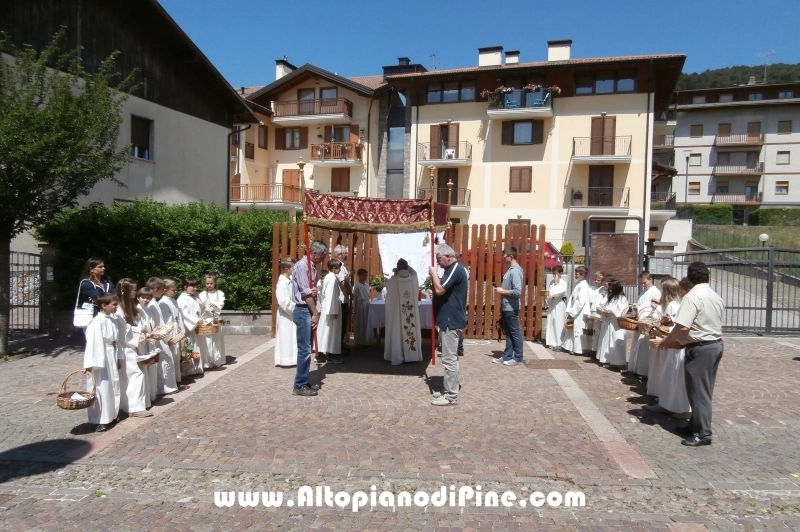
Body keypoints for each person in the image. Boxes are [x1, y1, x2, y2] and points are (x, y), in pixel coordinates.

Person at [660, 262, 725, 447]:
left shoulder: (692, 297)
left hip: (700, 347)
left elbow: (682, 326)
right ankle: (695, 424)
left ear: (690, 277)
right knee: (702, 389)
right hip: (714, 344)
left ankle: (703, 433)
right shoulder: (714, 295)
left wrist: (667, 341)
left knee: (698, 392)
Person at [645, 277, 691, 419]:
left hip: (675, 344)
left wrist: (667, 328)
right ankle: (666, 404)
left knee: (673, 377)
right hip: (673, 343)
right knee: (669, 376)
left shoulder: (675, 304)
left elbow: (680, 326)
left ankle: (677, 407)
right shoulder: (679, 303)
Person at [428, 244, 468, 406]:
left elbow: (440, 290)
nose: (438, 262)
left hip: (451, 320)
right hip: (448, 319)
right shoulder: (451, 269)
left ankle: (451, 395)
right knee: (450, 358)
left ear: (448, 257)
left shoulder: (455, 268)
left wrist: (433, 274)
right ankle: (449, 390)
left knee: (449, 359)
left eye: (439, 259)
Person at [291, 240, 329, 397]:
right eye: (322, 256)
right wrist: (315, 313)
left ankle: (303, 381)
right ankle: (299, 385)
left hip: (306, 310)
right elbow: (306, 294)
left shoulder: (311, 266)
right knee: (305, 350)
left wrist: (313, 291)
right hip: (303, 310)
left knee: (307, 349)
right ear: (315, 253)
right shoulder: (303, 266)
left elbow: (309, 290)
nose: (323, 259)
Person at [83, 294, 124, 432]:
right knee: (103, 387)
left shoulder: (112, 320)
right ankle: (100, 419)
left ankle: (112, 414)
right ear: (104, 305)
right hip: (102, 357)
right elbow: (93, 343)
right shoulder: (96, 322)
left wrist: (118, 357)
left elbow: (116, 341)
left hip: (111, 354)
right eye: (114, 304)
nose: (116, 307)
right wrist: (92, 363)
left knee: (113, 385)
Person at [115, 279, 151, 417]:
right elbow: (123, 329)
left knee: (134, 375)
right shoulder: (118, 308)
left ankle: (134, 405)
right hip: (124, 347)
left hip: (132, 345)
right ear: (125, 291)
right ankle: (134, 407)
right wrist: (139, 330)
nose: (135, 292)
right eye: (134, 290)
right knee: (135, 375)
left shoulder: (130, 305)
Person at [384, 258, 423, 365]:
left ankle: (398, 354)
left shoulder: (393, 279)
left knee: (397, 332)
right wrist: (404, 268)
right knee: (410, 329)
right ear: (407, 267)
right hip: (410, 311)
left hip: (397, 313)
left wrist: (396, 272)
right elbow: (413, 271)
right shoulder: (413, 277)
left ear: (397, 267)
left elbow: (388, 289)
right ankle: (412, 356)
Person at [145, 278, 178, 395]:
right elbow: (155, 322)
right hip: (158, 336)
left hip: (160, 335)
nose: (163, 291)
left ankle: (166, 386)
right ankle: (163, 386)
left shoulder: (154, 302)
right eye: (161, 289)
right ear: (155, 289)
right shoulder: (151, 303)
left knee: (166, 359)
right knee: (164, 360)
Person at [626, 271, 663, 377]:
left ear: (650, 279)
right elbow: (639, 302)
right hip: (640, 321)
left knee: (645, 348)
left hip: (648, 323)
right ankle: (636, 368)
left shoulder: (656, 292)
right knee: (638, 346)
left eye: (644, 282)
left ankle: (644, 371)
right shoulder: (643, 291)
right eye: (641, 283)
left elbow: (654, 309)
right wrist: (635, 306)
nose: (642, 285)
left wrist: (639, 308)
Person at [492, 247, 524, 365]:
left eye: (505, 255)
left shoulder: (515, 271)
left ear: (511, 256)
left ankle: (518, 357)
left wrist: (502, 291)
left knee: (515, 332)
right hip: (506, 306)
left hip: (511, 307)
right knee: (509, 332)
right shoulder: (510, 270)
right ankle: (507, 356)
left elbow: (517, 292)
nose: (503, 258)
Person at [596, 278, 629, 368]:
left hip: (616, 324)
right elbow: (601, 305)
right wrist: (604, 309)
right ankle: (608, 360)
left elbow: (621, 310)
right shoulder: (610, 297)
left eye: (611, 289)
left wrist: (611, 311)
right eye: (609, 288)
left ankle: (618, 362)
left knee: (616, 341)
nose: (610, 290)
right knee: (607, 341)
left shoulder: (621, 298)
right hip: (608, 322)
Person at [317, 259, 344, 364]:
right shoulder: (332, 278)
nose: (340, 270)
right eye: (339, 268)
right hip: (331, 308)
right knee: (331, 331)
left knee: (324, 330)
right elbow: (330, 295)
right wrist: (333, 311)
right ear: (334, 268)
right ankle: (331, 354)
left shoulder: (328, 277)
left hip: (327, 307)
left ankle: (321, 354)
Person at [158, 278, 185, 384]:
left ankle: (177, 378)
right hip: (171, 331)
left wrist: (182, 330)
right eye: (173, 290)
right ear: (165, 290)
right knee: (172, 355)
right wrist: (169, 335)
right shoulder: (163, 302)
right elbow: (167, 321)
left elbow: (179, 317)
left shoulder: (174, 301)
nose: (175, 292)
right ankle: (172, 380)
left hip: (177, 330)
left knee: (177, 355)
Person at [136, 287, 159, 403]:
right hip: (143, 342)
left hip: (150, 341)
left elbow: (151, 325)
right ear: (138, 298)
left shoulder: (148, 309)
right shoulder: (137, 310)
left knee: (152, 368)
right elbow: (139, 327)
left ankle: (152, 394)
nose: (145, 300)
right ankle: (146, 397)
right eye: (143, 297)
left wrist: (154, 333)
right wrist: (147, 335)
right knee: (145, 369)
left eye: (148, 298)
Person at [198, 274, 226, 369]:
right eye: (207, 283)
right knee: (208, 341)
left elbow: (220, 303)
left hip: (216, 318)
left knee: (217, 340)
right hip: (206, 319)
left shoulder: (220, 293)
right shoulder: (202, 294)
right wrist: (206, 307)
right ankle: (208, 361)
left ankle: (217, 360)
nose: (209, 285)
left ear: (215, 283)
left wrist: (214, 306)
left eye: (211, 283)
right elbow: (201, 304)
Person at [177, 278, 203, 377]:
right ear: (185, 287)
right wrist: (196, 320)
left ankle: (196, 368)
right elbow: (183, 313)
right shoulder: (182, 299)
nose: (195, 288)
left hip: (194, 327)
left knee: (195, 347)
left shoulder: (192, 297)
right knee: (189, 347)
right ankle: (189, 370)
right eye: (192, 286)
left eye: (195, 286)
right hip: (188, 328)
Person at [563, 266, 590, 356]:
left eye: (577, 274)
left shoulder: (584, 286)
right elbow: (572, 297)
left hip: (579, 311)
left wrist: (572, 313)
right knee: (572, 329)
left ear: (583, 275)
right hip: (574, 308)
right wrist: (569, 310)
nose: (575, 275)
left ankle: (578, 349)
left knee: (577, 329)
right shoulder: (577, 284)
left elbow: (580, 302)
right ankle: (570, 347)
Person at [275, 259, 298, 366]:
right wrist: (295, 308)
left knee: (291, 336)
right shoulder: (282, 283)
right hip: (286, 314)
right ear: (286, 269)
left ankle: (292, 358)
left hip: (290, 313)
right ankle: (285, 359)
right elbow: (283, 301)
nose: (294, 270)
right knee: (286, 337)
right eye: (292, 268)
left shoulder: (289, 280)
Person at [333, 245, 353, 351]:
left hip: (344, 299)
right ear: (339, 255)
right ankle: (338, 346)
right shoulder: (338, 266)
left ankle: (340, 344)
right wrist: (350, 293)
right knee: (341, 323)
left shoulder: (342, 266)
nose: (346, 255)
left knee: (343, 323)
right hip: (341, 299)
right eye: (345, 253)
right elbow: (343, 282)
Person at [545, 265, 568, 351]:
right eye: (553, 274)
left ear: (560, 273)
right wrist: (548, 297)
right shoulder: (552, 282)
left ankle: (559, 343)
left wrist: (557, 282)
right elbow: (549, 292)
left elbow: (557, 292)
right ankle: (551, 341)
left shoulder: (563, 283)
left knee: (558, 323)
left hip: (559, 304)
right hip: (552, 304)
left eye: (556, 274)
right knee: (551, 322)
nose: (554, 276)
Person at [587, 271, 607, 357]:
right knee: (592, 332)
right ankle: (592, 348)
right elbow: (587, 302)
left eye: (598, 280)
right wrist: (588, 313)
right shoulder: (591, 289)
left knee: (598, 332)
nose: (596, 281)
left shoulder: (603, 289)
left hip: (599, 313)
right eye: (595, 279)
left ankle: (597, 350)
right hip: (592, 312)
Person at [352, 269, 371, 347]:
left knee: (366, 323)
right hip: (360, 306)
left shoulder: (367, 285)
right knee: (360, 323)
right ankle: (360, 341)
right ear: (359, 276)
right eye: (364, 275)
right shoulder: (357, 286)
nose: (365, 277)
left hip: (367, 305)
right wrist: (354, 308)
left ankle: (366, 341)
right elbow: (355, 297)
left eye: (366, 275)